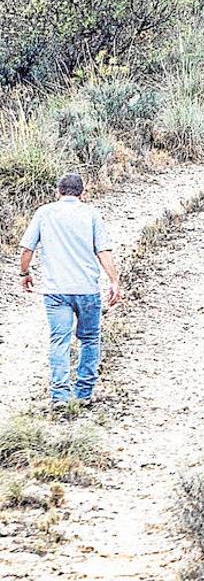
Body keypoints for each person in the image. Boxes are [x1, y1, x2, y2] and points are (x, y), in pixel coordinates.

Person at [16, 173, 124, 410]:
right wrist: (114, 281)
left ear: (58, 191)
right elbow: (103, 251)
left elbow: (26, 249)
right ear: (82, 193)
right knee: (89, 340)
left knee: (59, 341)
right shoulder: (91, 214)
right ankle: (84, 393)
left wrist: (25, 274)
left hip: (55, 291)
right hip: (87, 290)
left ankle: (60, 396)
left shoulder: (44, 213)